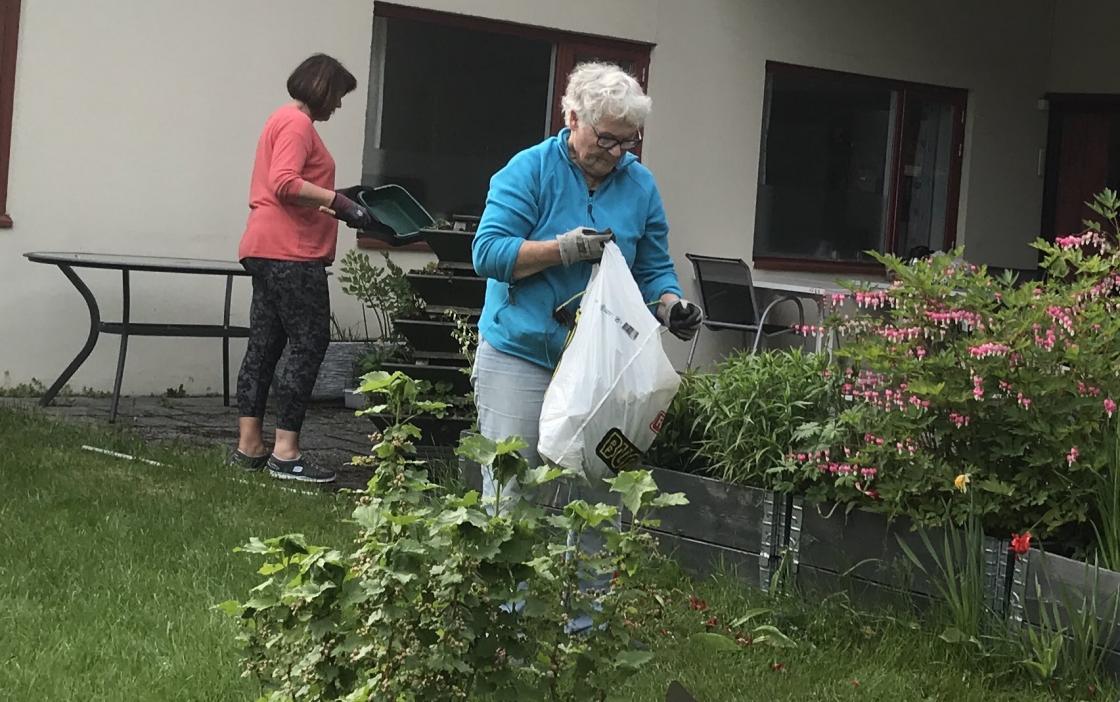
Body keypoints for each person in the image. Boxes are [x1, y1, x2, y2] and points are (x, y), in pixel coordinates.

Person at [472, 61, 702, 503]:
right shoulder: (530, 170)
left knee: (594, 495)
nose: (617, 152)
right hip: (521, 353)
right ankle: (505, 576)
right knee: (512, 491)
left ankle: (588, 578)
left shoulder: (640, 185)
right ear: (573, 117)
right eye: (607, 138)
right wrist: (563, 250)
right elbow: (487, 253)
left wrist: (671, 305)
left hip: (600, 367)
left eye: (628, 139)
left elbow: (652, 269)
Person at [228, 53, 372, 483]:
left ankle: (249, 446)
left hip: (265, 246)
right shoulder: (297, 124)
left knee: (266, 344)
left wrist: (342, 198)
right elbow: (286, 183)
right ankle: (286, 452)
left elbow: (290, 185)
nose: (339, 106)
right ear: (324, 88)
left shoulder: (281, 119)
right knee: (309, 343)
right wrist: (337, 201)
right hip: (291, 252)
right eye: (340, 96)